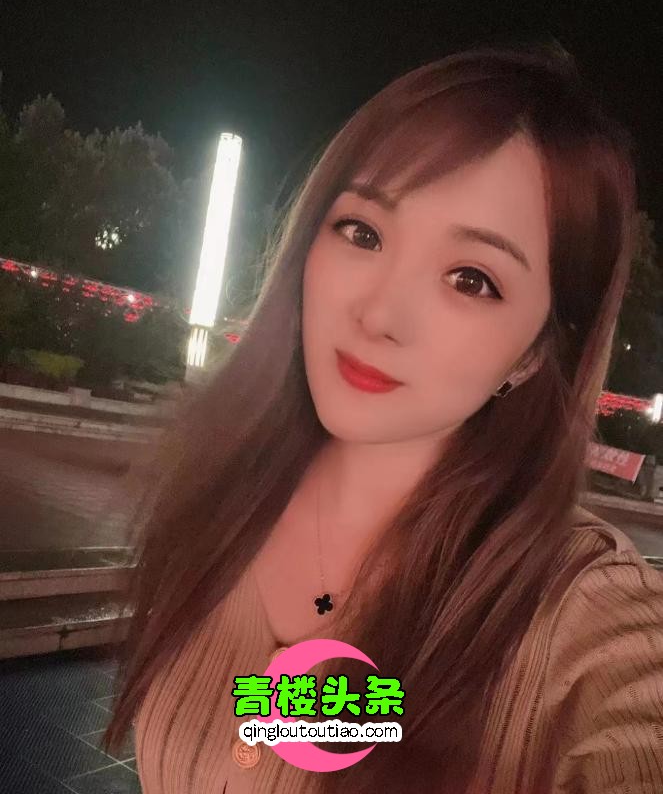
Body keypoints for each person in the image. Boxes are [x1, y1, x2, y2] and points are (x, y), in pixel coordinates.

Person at [105, 45, 663, 793]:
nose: (378, 315)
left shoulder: (579, 609)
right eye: (362, 233)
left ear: (535, 353)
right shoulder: (215, 482)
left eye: (471, 279)